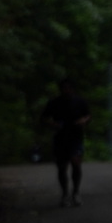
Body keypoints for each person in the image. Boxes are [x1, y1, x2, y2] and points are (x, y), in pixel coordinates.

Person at [43, 78, 90, 207]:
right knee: (62, 167)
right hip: (60, 137)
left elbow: (88, 115)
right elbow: (44, 118)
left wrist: (83, 121)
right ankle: (65, 193)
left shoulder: (80, 101)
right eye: (64, 88)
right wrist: (53, 124)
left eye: (69, 88)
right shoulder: (54, 103)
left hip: (76, 136)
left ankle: (76, 192)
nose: (67, 90)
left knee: (76, 163)